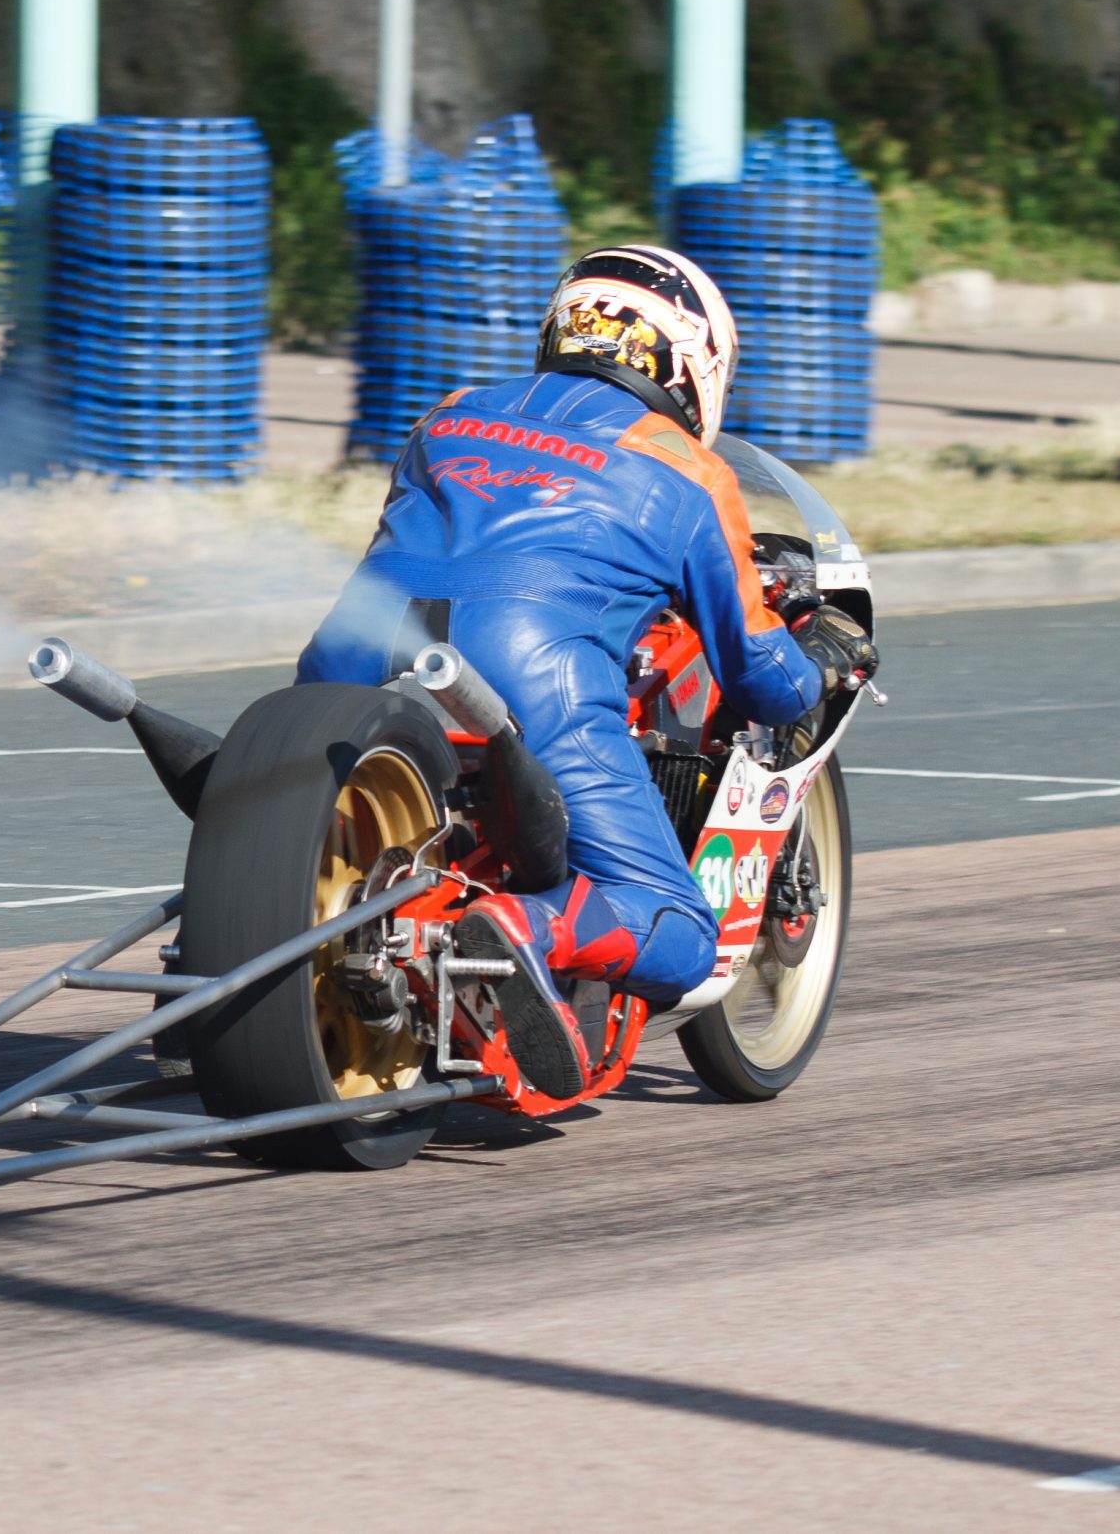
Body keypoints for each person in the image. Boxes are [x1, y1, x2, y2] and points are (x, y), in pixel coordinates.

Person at [297, 244, 878, 1096]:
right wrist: (822, 667)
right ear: (689, 360)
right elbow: (758, 676)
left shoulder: (448, 413)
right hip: (530, 684)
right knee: (681, 931)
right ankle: (524, 925)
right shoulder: (688, 470)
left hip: (347, 670)